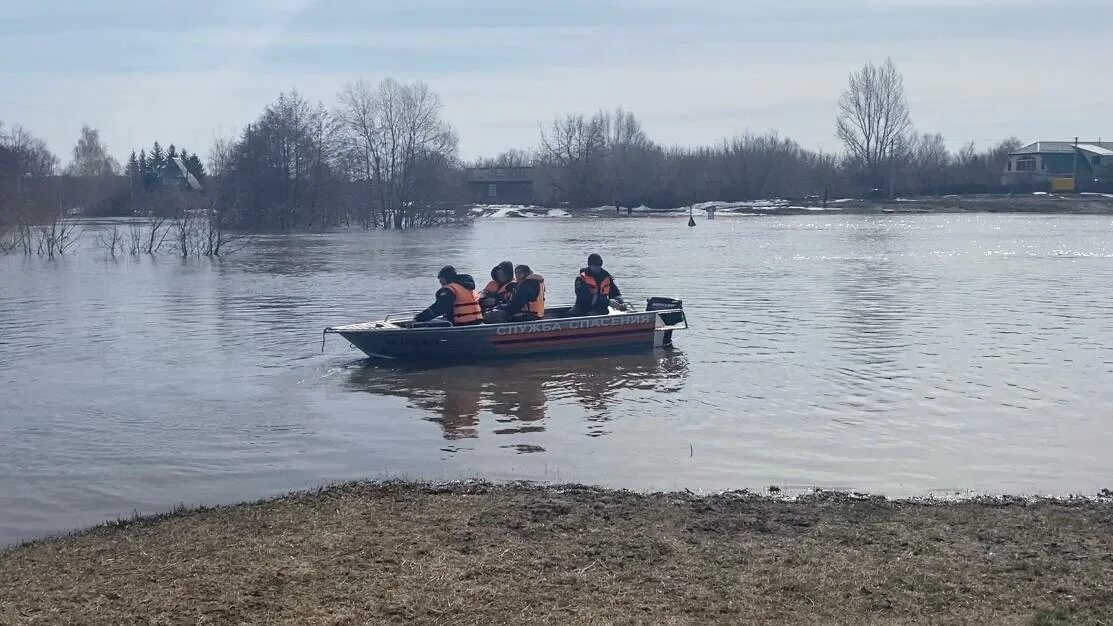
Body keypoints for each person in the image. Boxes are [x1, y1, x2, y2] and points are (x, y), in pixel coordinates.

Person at [413, 265, 482, 326]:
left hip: (458, 324)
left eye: (441, 279)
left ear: (446, 278)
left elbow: (438, 308)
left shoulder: (449, 290)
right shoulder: (467, 287)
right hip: (476, 322)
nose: (440, 282)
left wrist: (418, 318)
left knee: (423, 324)